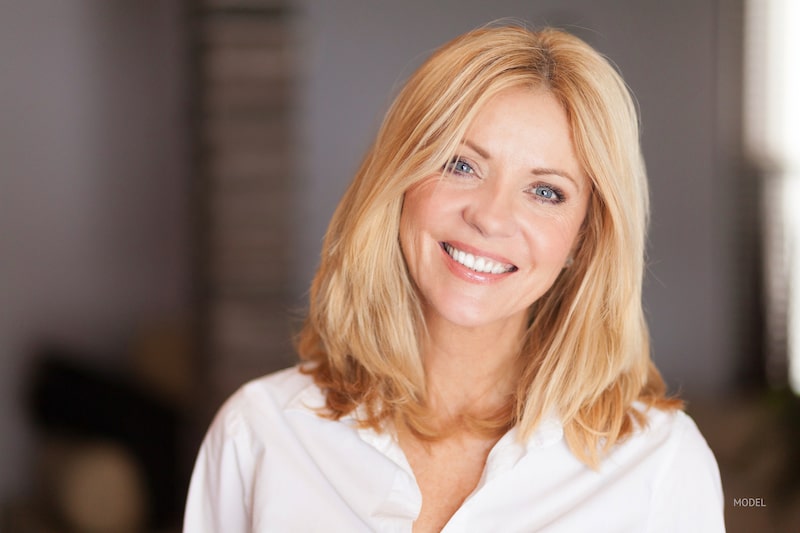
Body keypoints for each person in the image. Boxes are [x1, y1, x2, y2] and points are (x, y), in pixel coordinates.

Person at [183, 24, 725, 532]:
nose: (490, 216)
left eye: (545, 192)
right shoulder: (259, 434)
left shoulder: (660, 466)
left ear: (583, 240)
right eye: (461, 164)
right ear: (399, 182)